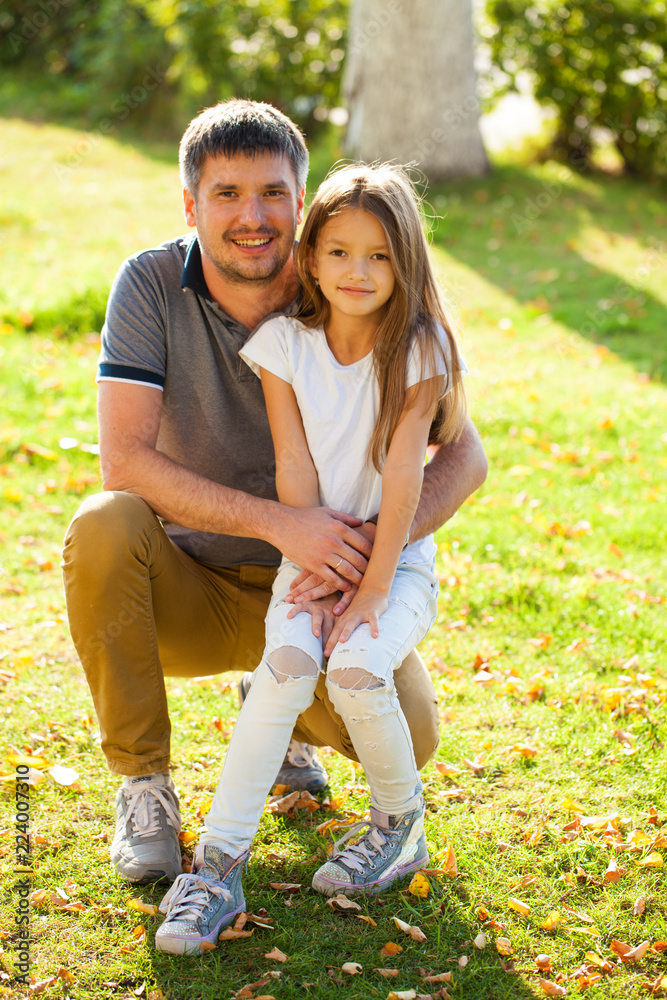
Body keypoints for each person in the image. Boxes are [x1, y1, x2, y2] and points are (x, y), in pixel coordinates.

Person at [61, 100, 487, 889]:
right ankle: (144, 783)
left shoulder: (346, 278)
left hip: (326, 588)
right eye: (226, 194)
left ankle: (285, 711)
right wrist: (284, 525)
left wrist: (366, 563)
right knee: (103, 524)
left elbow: (463, 457)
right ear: (190, 204)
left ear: (302, 200)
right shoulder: (150, 284)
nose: (251, 216)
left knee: (409, 738)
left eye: (271, 193)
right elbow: (122, 459)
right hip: (193, 585)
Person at [154, 162, 468, 955]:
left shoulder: (418, 348)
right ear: (310, 255)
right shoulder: (284, 345)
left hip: (394, 562)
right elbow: (293, 465)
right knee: (284, 671)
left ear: (406, 264)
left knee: (358, 671)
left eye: (378, 256)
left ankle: (400, 828)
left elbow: (404, 473)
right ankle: (217, 865)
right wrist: (314, 560)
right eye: (337, 252)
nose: (355, 272)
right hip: (311, 547)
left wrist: (364, 588)